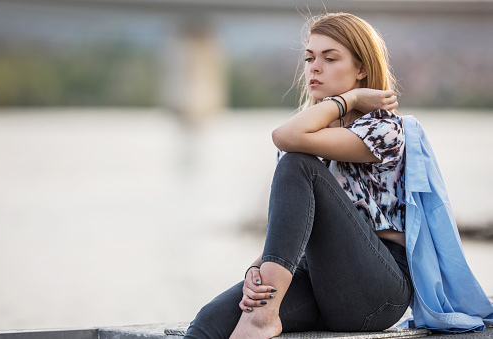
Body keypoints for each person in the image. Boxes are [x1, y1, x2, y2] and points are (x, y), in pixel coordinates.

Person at [183, 11, 493, 339]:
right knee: (210, 322)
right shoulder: (307, 136)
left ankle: (263, 317)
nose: (314, 67)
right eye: (309, 58)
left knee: (296, 162)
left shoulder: (384, 129)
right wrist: (257, 272)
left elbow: (284, 137)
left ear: (361, 68)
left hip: (378, 290)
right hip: (316, 279)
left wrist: (351, 99)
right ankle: (264, 309)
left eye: (329, 58)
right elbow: (291, 224)